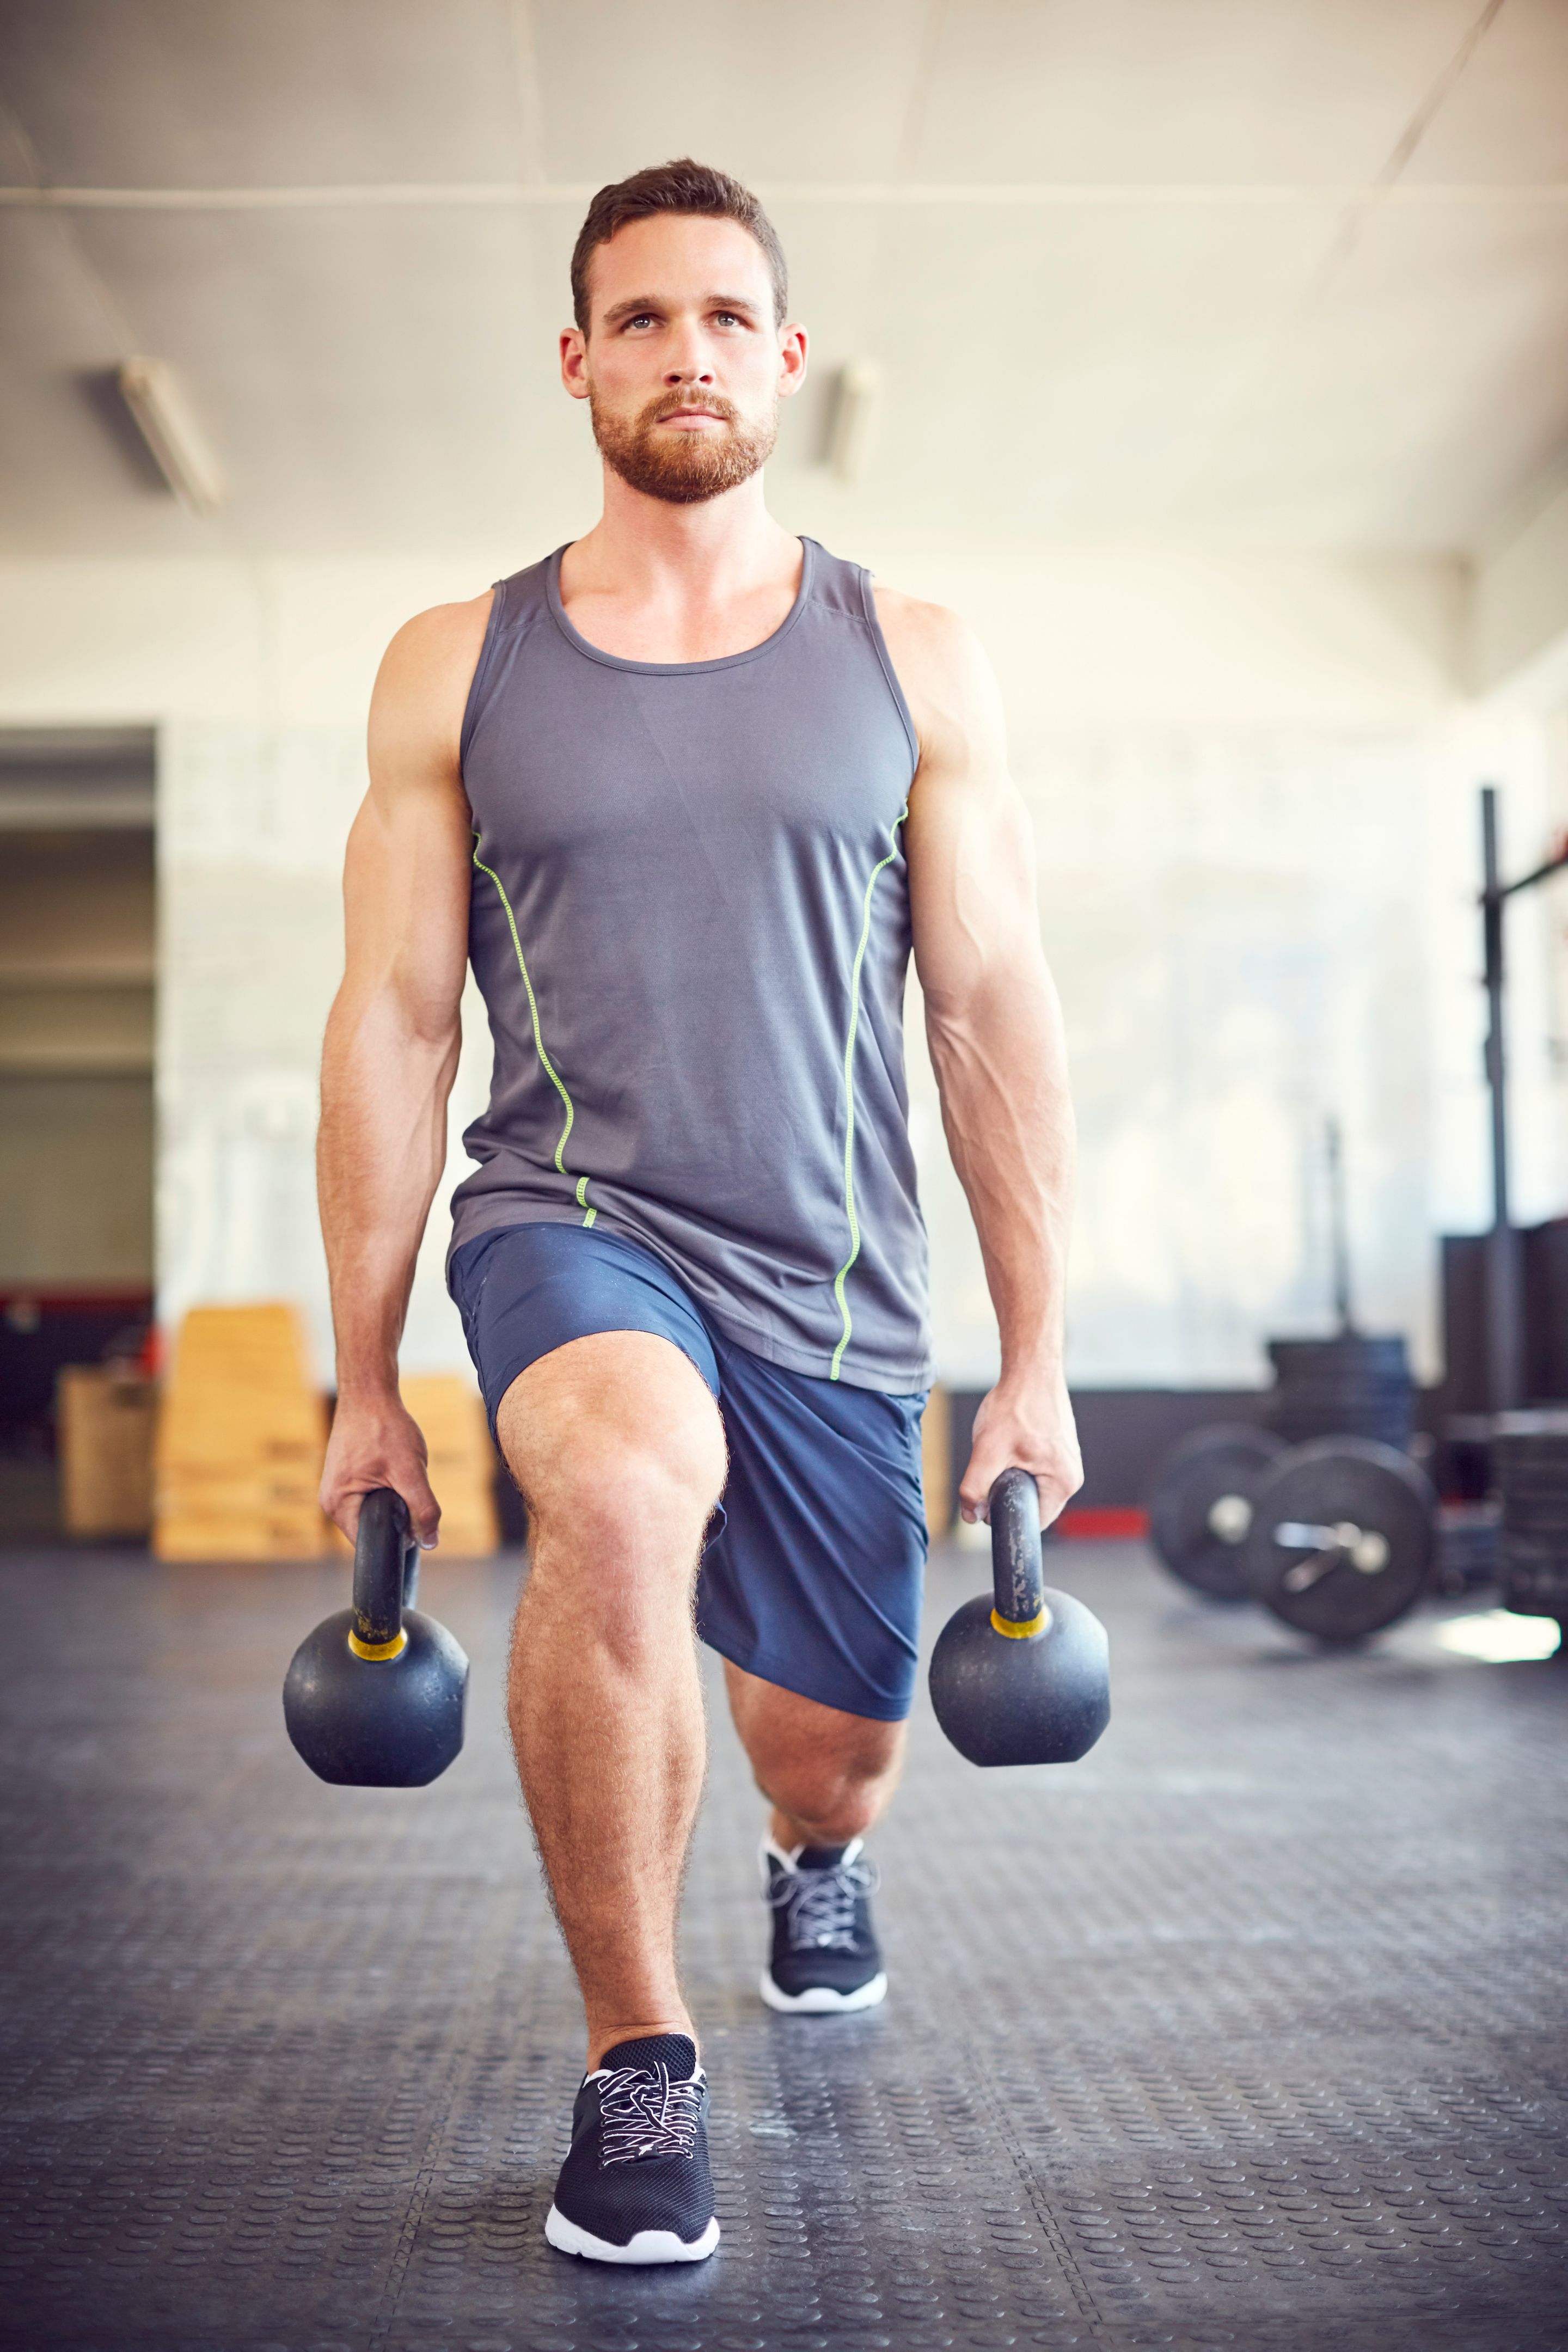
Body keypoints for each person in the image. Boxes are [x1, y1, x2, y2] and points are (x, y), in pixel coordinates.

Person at [317, 158, 1081, 2267]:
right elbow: (391, 1023)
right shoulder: (453, 664)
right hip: (569, 1218)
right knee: (627, 1496)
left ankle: (809, 1858)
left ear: (788, 358)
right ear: (575, 362)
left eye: (725, 317)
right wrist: (367, 1381)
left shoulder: (909, 655)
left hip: (838, 1269)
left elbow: (990, 1007)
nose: (685, 354)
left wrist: (1033, 1355)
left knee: (827, 1748)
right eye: (639, 319)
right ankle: (635, 2059)